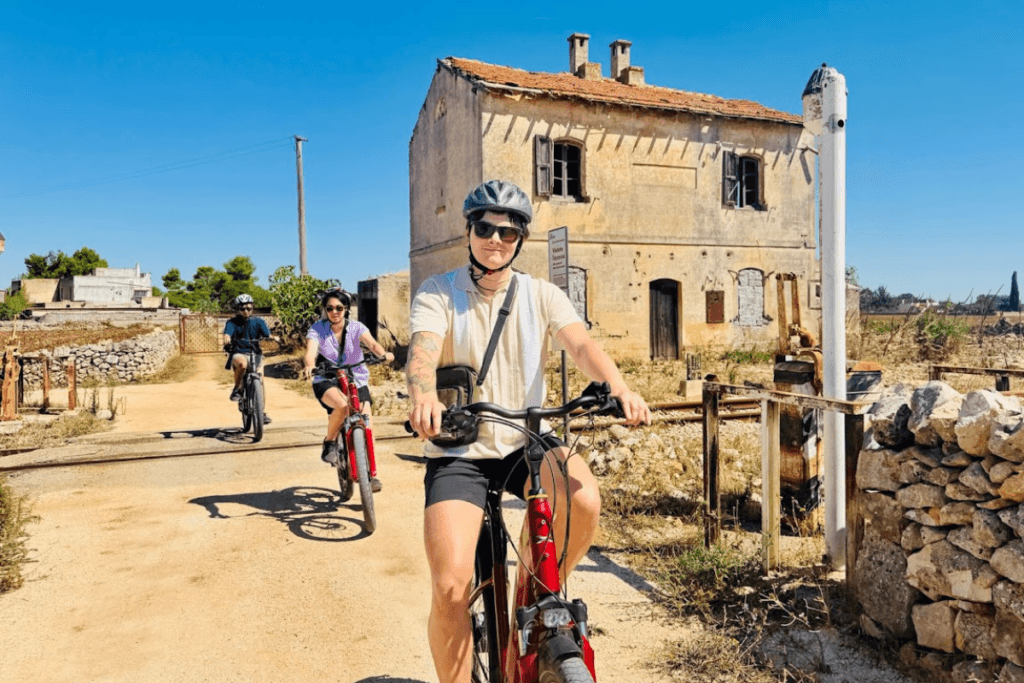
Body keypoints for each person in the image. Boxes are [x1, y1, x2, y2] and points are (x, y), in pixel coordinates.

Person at [406, 179, 651, 683]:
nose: (496, 240)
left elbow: (581, 345)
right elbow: (423, 350)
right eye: (485, 228)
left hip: (525, 440)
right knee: (451, 586)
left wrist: (619, 387)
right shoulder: (438, 291)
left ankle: (538, 586)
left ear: (520, 239)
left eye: (509, 232)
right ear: (469, 231)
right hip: (460, 448)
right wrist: (422, 394)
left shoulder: (542, 294)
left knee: (581, 497)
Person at [302, 288, 394, 490]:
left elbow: (373, 345)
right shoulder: (317, 329)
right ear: (325, 310)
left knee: (367, 422)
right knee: (343, 407)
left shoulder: (356, 327)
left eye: (339, 308)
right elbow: (311, 352)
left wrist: (384, 354)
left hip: (356, 378)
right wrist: (309, 364)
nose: (335, 312)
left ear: (346, 309)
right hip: (327, 378)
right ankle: (330, 442)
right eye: (330, 308)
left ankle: (369, 473)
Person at [222, 293, 272, 425]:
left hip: (256, 354)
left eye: (249, 308)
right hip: (239, 352)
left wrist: (274, 338)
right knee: (242, 364)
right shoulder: (232, 322)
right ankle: (237, 388)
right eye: (243, 308)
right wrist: (227, 337)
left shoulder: (259, 321)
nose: (246, 311)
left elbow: (267, 334)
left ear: (252, 308)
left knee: (260, 380)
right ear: (238, 309)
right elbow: (228, 333)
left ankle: (261, 412)